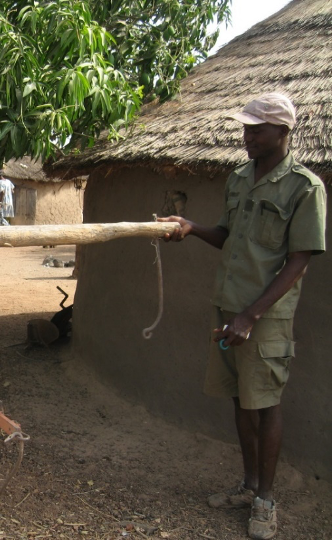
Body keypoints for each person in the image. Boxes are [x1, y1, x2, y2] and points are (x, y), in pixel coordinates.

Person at [159, 93, 326, 540]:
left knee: (266, 405)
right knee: (240, 399)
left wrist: (252, 315)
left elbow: (299, 260)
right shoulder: (238, 178)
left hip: (263, 317)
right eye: (245, 128)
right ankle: (249, 485)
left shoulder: (304, 188)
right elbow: (229, 236)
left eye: (257, 129)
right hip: (229, 307)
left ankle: (266, 502)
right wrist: (193, 229)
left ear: (283, 132)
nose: (246, 136)